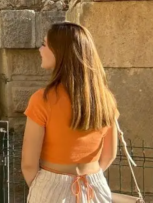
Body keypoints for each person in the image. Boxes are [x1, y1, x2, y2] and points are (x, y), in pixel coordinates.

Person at [22, 22, 118, 202]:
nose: (40, 50)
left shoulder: (42, 99)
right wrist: (90, 178)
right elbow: (109, 155)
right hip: (95, 186)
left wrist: (44, 187)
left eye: (44, 44)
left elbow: (28, 164)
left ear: (59, 52)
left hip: (52, 186)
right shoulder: (106, 99)